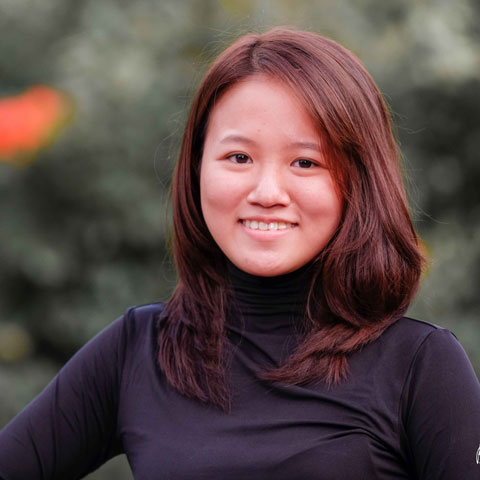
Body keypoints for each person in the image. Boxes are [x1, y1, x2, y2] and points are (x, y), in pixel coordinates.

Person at [0, 27, 479, 480]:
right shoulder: (137, 351)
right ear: (196, 169)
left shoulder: (420, 366)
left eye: (305, 162)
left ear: (359, 181)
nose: (267, 192)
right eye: (239, 157)